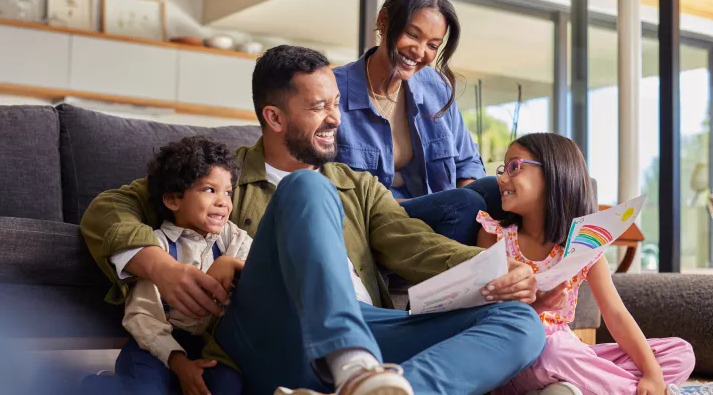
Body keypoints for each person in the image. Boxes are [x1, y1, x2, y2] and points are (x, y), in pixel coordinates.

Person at [80, 45, 546, 395]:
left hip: (368, 322)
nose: (335, 119)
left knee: (522, 324)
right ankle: (352, 364)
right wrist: (162, 267)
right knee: (307, 186)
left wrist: (501, 268)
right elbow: (106, 211)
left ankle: (379, 387)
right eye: (319, 107)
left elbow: (418, 245)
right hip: (269, 330)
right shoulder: (222, 176)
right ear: (274, 117)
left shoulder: (356, 184)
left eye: (337, 103)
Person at [476, 133, 695, 395]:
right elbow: (486, 317)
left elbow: (615, 314)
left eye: (514, 167)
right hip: (517, 357)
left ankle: (570, 387)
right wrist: (539, 306)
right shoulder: (494, 236)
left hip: (569, 354)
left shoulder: (584, 246)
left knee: (680, 353)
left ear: (554, 175)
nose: (501, 178)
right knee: (554, 351)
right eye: (503, 169)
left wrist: (651, 373)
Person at [333, 0, 503, 247]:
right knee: (465, 202)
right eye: (412, 35)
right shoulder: (332, 91)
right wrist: (461, 203)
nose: (420, 51)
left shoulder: (435, 86)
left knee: (498, 189)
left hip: (441, 212)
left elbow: (467, 161)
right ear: (384, 20)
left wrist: (477, 206)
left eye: (433, 45)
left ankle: (532, 274)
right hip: (376, 218)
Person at [84, 136, 251, 395]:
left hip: (209, 347)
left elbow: (258, 269)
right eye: (209, 190)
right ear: (173, 200)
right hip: (154, 346)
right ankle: (100, 386)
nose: (223, 201)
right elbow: (143, 317)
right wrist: (178, 362)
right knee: (148, 388)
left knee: (227, 387)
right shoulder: (157, 246)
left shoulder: (234, 238)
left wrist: (231, 263)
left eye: (228, 192)